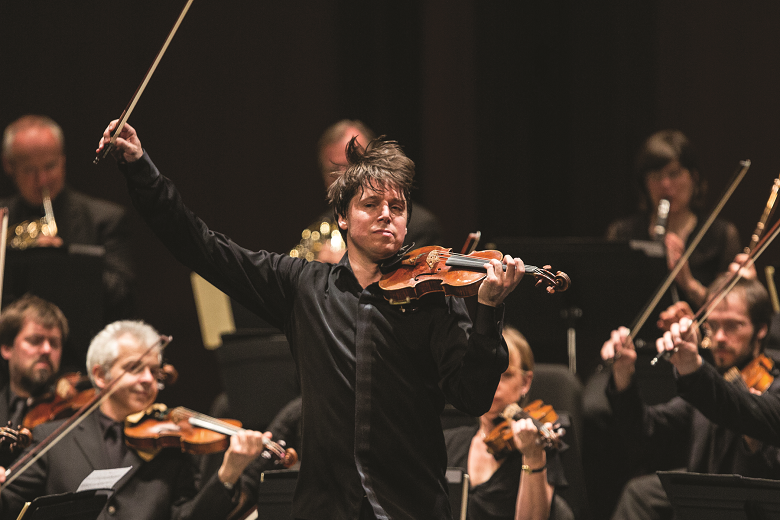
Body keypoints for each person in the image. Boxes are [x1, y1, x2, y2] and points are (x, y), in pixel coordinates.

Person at [97, 119, 524, 520]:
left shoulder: (435, 297)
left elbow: (472, 397)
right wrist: (141, 169)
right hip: (325, 508)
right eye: (371, 203)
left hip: (409, 507)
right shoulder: (302, 286)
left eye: (397, 206)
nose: (386, 214)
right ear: (341, 218)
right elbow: (201, 246)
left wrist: (488, 311)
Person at [0, 320, 268, 520]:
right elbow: (7, 505)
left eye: (154, 371)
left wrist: (229, 473)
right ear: (101, 376)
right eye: (134, 368)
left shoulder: (170, 446)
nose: (148, 380)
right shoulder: (52, 438)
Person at [600, 273, 780, 520]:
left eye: (732, 326)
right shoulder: (711, 383)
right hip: (704, 505)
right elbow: (645, 432)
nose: (718, 338)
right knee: (638, 493)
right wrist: (623, 375)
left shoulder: (774, 387)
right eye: (713, 326)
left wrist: (754, 443)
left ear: (761, 330)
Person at [1, 115, 135, 323]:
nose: (42, 179)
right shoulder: (2, 217)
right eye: (29, 170)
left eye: (50, 166)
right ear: (9, 166)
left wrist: (64, 262)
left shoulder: (105, 219)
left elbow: (121, 295)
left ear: (63, 160)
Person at [444, 325, 573, 520]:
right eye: (484, 373)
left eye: (506, 375)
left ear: (525, 382)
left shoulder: (539, 448)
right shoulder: (448, 443)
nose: (492, 385)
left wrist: (532, 456)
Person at [606, 129, 740, 308]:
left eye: (674, 173)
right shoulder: (622, 233)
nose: (665, 184)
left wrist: (689, 283)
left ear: (694, 177)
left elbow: (730, 313)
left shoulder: (720, 236)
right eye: (655, 176)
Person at [292, 119, 443, 262]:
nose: (344, 176)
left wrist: (348, 268)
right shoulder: (322, 225)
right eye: (334, 170)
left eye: (353, 164)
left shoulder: (419, 226)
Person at [0, 295, 67, 466]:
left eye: (54, 343)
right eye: (35, 341)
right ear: (7, 347)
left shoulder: (68, 415)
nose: (46, 349)